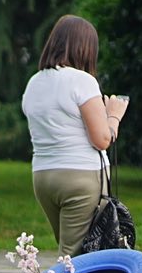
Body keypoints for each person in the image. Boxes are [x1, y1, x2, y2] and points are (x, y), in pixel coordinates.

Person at [22, 15, 128, 254]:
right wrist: (114, 115)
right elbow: (102, 139)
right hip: (80, 177)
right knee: (74, 258)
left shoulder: (34, 82)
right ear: (86, 48)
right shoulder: (82, 81)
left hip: (43, 177)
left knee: (70, 249)